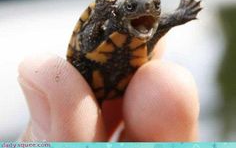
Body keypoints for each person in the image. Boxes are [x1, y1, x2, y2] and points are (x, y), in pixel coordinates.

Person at [18, 42, 199, 141]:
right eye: (132, 7)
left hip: (119, 82)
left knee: (163, 86)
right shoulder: (111, 17)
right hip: (87, 70)